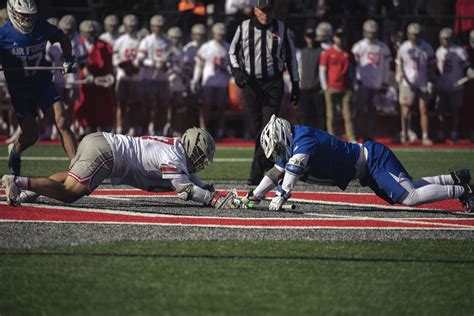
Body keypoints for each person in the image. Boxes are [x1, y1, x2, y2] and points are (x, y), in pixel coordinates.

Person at [240, 115, 474, 212]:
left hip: (372, 159)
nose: (280, 152)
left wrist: (281, 195)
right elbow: (276, 171)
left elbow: (292, 171)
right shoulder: (294, 141)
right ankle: (454, 179)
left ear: (283, 136)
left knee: (409, 197)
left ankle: (464, 190)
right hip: (364, 167)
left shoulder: (303, 139)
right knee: (407, 187)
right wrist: (255, 195)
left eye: (279, 146)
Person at [2, 127, 238, 209]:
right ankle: (19, 182)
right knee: (71, 193)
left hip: (100, 141)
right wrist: (212, 197)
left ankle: (27, 192)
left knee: (67, 178)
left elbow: (190, 178)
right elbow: (185, 189)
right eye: (198, 154)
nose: (199, 160)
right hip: (107, 153)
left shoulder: (175, 149)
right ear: (189, 146)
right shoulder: (173, 157)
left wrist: (206, 188)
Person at [0, 0, 78, 176]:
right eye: (23, 15)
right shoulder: (3, 34)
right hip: (20, 90)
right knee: (31, 134)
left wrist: (69, 59)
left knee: (62, 121)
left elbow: (63, 38)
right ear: (13, 12)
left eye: (30, 15)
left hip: (42, 83)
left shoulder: (42, 27)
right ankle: (16, 150)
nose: (27, 19)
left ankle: (77, 168)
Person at [228, 0, 300, 185]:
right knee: (257, 129)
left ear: (273, 11)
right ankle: (270, 162)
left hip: (273, 83)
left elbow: (291, 57)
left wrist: (295, 83)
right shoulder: (244, 27)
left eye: (268, 11)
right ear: (255, 10)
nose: (265, 14)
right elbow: (232, 52)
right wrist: (236, 71)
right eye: (262, 11)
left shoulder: (282, 28)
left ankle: (255, 175)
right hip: (250, 84)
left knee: (267, 128)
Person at [351, 19, 391, 142]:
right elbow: (354, 65)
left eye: (373, 32)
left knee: (372, 111)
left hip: (376, 83)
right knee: (359, 110)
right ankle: (358, 133)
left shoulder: (382, 47)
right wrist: (357, 79)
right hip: (362, 83)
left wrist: (385, 82)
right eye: (369, 32)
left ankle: (369, 134)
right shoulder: (358, 46)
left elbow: (386, 67)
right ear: (364, 32)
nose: (371, 35)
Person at [396, 23, 435, 145]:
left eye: (417, 34)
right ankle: (405, 134)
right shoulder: (404, 47)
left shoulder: (426, 47)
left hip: (422, 81)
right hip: (407, 83)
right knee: (406, 111)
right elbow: (398, 63)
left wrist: (430, 80)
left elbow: (432, 66)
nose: (415, 37)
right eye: (413, 34)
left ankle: (425, 136)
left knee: (423, 109)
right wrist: (399, 75)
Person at [74, 20, 115, 135]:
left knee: (102, 108)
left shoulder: (104, 45)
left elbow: (108, 66)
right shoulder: (77, 44)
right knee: (82, 106)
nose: (89, 35)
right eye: (87, 32)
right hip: (83, 83)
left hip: (99, 84)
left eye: (92, 32)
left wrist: (107, 78)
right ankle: (81, 127)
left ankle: (102, 130)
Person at [191, 22, 230, 139]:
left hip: (223, 81)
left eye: (222, 34)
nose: (221, 36)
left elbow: (233, 65)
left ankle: (220, 129)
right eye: (219, 34)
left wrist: (228, 70)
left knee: (221, 107)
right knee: (206, 106)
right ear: (214, 34)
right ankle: (204, 129)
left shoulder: (228, 47)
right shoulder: (207, 47)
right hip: (209, 80)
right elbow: (199, 64)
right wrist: (195, 79)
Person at [135, 15, 171, 135]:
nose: (158, 28)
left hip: (162, 78)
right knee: (147, 105)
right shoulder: (147, 41)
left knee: (162, 105)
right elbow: (140, 59)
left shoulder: (167, 41)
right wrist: (153, 63)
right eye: (156, 26)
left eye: (160, 26)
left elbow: (171, 59)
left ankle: (159, 129)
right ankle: (145, 128)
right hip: (148, 77)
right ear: (152, 27)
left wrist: (166, 65)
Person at [435, 28, 471, 144]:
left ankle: (454, 133)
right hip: (442, 85)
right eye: (443, 39)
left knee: (455, 110)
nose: (445, 41)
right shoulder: (439, 51)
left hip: (456, 85)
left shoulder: (460, 51)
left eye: (447, 39)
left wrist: (469, 72)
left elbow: (466, 66)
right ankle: (441, 132)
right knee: (441, 111)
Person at [319, 28, 356, 142]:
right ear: (334, 38)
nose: (340, 39)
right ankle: (332, 136)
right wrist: (325, 87)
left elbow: (353, 70)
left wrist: (353, 84)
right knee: (331, 115)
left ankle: (351, 137)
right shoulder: (327, 53)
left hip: (345, 87)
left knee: (348, 115)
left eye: (342, 37)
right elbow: (322, 70)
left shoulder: (348, 53)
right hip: (331, 87)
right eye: (338, 36)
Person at [113, 14, 141, 135]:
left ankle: (133, 126)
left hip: (136, 76)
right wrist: (124, 66)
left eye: (133, 26)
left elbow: (142, 57)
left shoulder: (140, 40)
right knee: (121, 103)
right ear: (125, 26)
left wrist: (135, 67)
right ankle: (120, 127)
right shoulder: (120, 41)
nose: (131, 28)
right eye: (129, 26)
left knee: (134, 104)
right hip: (122, 75)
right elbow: (115, 58)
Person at [297, 27, 325, 129]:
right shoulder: (302, 52)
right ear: (305, 38)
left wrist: (323, 86)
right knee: (305, 114)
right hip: (304, 88)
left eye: (312, 37)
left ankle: (322, 136)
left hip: (317, 88)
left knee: (319, 114)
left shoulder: (321, 51)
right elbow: (299, 69)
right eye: (308, 37)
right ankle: (306, 136)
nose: (310, 39)